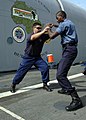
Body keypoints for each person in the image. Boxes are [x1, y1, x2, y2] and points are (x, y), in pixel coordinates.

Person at [47, 10, 83, 111]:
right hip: (70, 49)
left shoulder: (63, 24)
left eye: (57, 18)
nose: (56, 20)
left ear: (61, 17)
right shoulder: (69, 23)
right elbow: (61, 26)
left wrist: (48, 29)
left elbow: (51, 36)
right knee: (61, 68)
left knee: (60, 75)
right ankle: (64, 88)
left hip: (69, 50)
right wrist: (54, 25)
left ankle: (76, 99)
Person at [10, 22, 52, 93]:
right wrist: (43, 31)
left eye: (40, 28)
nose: (39, 29)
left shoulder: (42, 36)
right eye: (37, 28)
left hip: (37, 58)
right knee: (21, 72)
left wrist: (49, 28)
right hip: (28, 58)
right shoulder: (31, 35)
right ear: (33, 28)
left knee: (45, 67)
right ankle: (13, 84)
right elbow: (33, 38)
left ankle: (45, 84)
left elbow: (52, 35)